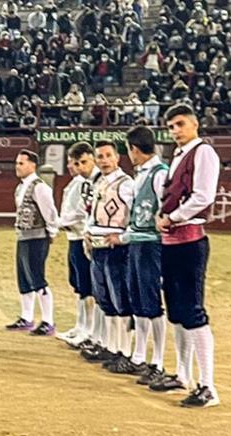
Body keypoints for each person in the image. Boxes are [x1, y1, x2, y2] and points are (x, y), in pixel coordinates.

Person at [153, 104, 220, 408]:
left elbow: (203, 196)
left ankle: (208, 386)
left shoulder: (203, 152)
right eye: (170, 126)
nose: (175, 130)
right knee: (177, 312)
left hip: (189, 240)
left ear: (195, 124)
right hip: (172, 240)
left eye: (180, 124)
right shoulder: (180, 155)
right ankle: (183, 374)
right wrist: (163, 216)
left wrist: (172, 216)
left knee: (192, 310)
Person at [105, 125, 169, 386]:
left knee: (151, 304)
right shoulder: (145, 173)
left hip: (151, 246)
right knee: (140, 303)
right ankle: (140, 356)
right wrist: (124, 238)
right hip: (138, 244)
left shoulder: (159, 173)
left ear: (133, 149)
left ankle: (158, 363)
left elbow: (165, 211)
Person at [83, 140, 138, 372]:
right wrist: (87, 231)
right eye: (100, 156)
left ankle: (125, 352)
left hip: (117, 248)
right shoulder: (99, 182)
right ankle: (112, 346)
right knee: (104, 299)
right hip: (98, 245)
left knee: (120, 300)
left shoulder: (127, 184)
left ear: (117, 158)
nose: (104, 160)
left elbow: (136, 216)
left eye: (108, 155)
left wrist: (124, 237)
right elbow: (92, 213)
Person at [5, 150, 58, 335]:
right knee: (24, 279)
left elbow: (50, 212)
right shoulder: (21, 187)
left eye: (21, 163)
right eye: (17, 163)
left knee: (37, 278)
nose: (17, 167)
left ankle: (48, 321)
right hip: (23, 237)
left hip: (37, 238)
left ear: (32, 165)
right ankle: (26, 317)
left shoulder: (39, 187)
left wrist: (52, 231)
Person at [56, 142, 98, 347]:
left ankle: (88, 329)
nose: (73, 167)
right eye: (72, 163)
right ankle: (81, 326)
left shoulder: (88, 182)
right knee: (79, 285)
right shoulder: (78, 182)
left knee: (87, 286)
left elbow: (83, 212)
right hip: (74, 237)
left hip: (83, 237)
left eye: (78, 162)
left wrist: (60, 222)